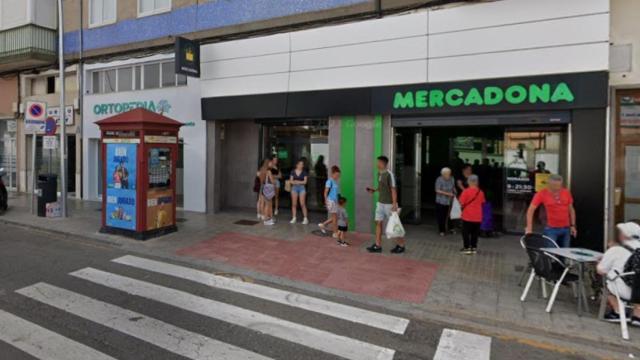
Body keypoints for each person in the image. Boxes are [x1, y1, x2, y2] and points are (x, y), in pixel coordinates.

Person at [597, 222, 640, 325]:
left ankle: (618, 312)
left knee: (605, 282)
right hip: (638, 292)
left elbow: (601, 270)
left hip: (623, 290)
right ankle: (637, 315)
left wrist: (601, 260)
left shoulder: (616, 249)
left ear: (625, 235)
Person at [366, 156, 405, 254]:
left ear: (382, 163)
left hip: (389, 204)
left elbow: (393, 189)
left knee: (394, 225)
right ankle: (378, 245)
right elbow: (381, 187)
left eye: (377, 162)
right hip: (380, 203)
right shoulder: (379, 173)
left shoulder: (389, 174)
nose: (376, 164)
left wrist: (394, 203)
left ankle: (401, 245)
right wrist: (374, 190)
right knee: (378, 223)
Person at [525, 174, 576, 247]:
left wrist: (573, 225)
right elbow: (530, 210)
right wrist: (529, 228)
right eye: (554, 186)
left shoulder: (566, 192)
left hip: (566, 229)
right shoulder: (541, 194)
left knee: (565, 254)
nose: (557, 189)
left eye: (559, 186)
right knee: (551, 254)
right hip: (550, 229)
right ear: (549, 184)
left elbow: (571, 210)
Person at [459, 175, 485, 254]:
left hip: (467, 216)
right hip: (478, 216)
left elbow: (461, 203)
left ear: (469, 182)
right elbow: (483, 202)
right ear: (477, 182)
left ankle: (466, 248)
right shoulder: (480, 192)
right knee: (475, 233)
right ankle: (473, 248)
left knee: (465, 233)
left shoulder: (466, 191)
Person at [319, 165, 341, 236]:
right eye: (337, 175)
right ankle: (335, 232)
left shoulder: (335, 181)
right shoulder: (329, 181)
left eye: (339, 175)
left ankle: (323, 224)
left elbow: (335, 193)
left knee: (335, 217)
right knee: (334, 217)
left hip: (334, 201)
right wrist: (326, 201)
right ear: (333, 174)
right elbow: (325, 192)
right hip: (330, 201)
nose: (338, 176)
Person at [434, 167, 456, 236]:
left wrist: (455, 191)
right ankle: (442, 230)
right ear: (443, 174)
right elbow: (437, 190)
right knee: (441, 216)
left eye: (449, 174)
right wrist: (448, 194)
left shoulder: (452, 178)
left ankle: (451, 228)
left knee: (450, 215)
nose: (449, 175)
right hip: (441, 201)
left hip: (450, 200)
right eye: (447, 174)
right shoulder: (439, 179)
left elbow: (453, 186)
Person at [289, 160, 309, 224]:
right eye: (300, 164)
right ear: (297, 165)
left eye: (302, 164)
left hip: (302, 188)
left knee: (302, 203)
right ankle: (294, 217)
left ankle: (305, 218)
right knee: (294, 204)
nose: (301, 165)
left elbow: (305, 182)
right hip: (294, 188)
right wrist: (297, 182)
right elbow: (291, 181)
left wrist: (297, 182)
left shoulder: (304, 172)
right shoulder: (293, 172)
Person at [258, 158, 276, 226]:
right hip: (268, 189)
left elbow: (261, 181)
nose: (272, 164)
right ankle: (266, 220)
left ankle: (269, 218)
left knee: (266, 204)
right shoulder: (268, 171)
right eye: (270, 163)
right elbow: (272, 181)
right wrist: (274, 180)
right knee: (268, 205)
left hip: (263, 188)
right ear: (267, 163)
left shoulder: (261, 171)